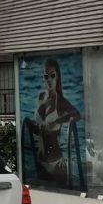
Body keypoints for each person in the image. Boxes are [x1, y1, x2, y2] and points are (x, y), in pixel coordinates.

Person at [31, 58, 82, 186]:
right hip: (41, 161)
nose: (49, 79)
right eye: (46, 76)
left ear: (57, 77)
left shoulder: (60, 101)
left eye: (52, 75)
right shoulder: (41, 97)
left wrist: (58, 120)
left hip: (56, 163)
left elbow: (77, 114)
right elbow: (38, 128)